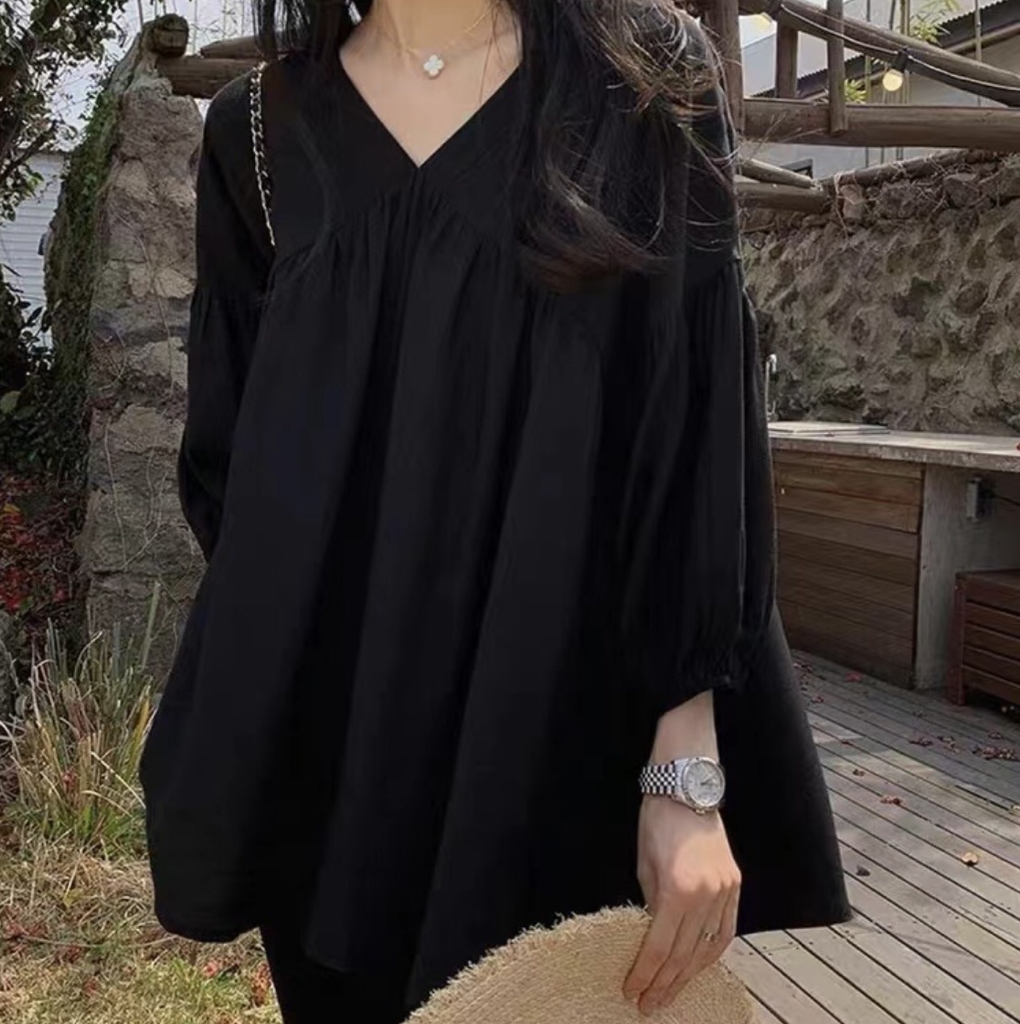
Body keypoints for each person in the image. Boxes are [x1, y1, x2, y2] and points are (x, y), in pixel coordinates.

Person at [139, 2, 851, 1022]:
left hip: (560, 754)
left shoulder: (647, 83)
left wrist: (686, 767)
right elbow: (232, 468)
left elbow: (696, 432)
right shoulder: (256, 130)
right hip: (334, 775)